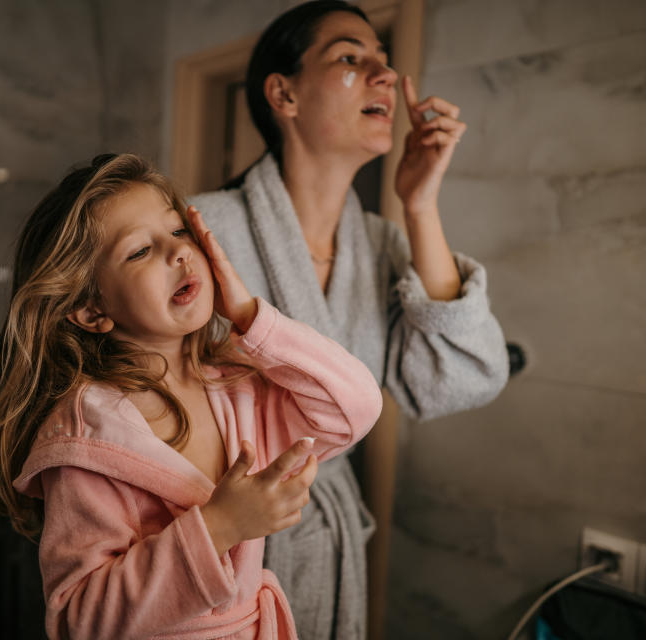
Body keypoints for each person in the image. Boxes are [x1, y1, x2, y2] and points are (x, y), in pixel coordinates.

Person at [188, 1, 510, 638]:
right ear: (284, 93)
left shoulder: (384, 246)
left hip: (326, 545)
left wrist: (420, 206)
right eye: (350, 58)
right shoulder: (200, 230)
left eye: (384, 62)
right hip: (212, 545)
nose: (385, 74)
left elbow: (458, 378)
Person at [0, 152, 383, 639]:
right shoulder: (90, 439)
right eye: (140, 251)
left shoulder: (237, 386)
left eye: (179, 231)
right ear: (90, 308)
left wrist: (254, 317)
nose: (178, 252)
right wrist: (218, 527)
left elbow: (354, 407)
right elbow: (78, 620)